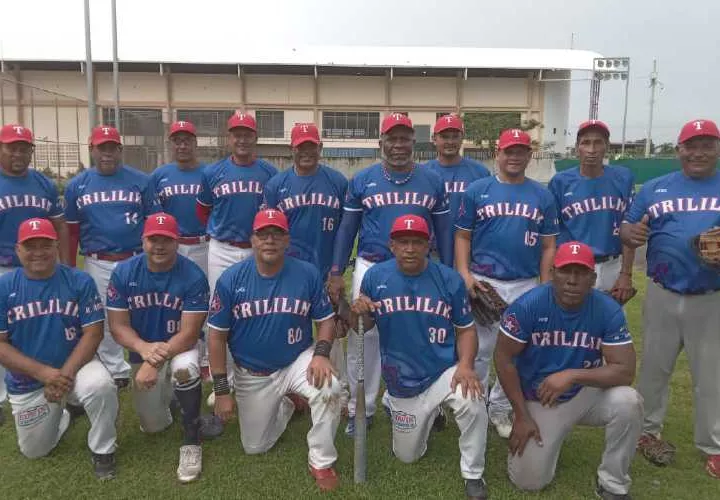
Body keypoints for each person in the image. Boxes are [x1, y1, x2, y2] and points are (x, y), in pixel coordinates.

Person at [328, 112, 452, 436]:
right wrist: (336, 271)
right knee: (363, 336)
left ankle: (430, 402)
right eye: (392, 139)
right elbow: (346, 229)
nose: (398, 145)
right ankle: (362, 408)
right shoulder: (363, 179)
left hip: (420, 269)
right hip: (372, 265)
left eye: (404, 138)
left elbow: (445, 231)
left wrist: (449, 274)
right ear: (381, 142)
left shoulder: (432, 181)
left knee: (423, 333)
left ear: (414, 142)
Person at [349, 214, 489, 500]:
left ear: (428, 245)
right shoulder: (375, 277)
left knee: (472, 398)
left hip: (442, 372)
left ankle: (473, 474)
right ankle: (396, 403)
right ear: (392, 245)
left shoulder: (448, 279)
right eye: (403, 242)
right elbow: (363, 327)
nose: (410, 248)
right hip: (402, 381)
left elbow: (466, 330)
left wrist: (465, 365)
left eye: (417, 242)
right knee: (407, 457)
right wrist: (357, 311)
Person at [207, 209, 343, 491]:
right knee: (255, 447)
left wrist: (320, 353)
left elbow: (327, 322)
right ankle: (289, 402)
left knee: (330, 388)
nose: (269, 240)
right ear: (252, 240)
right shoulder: (231, 279)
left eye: (277, 234)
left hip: (296, 360)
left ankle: (321, 460)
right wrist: (221, 391)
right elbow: (216, 338)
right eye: (263, 234)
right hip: (253, 372)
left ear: (287, 240)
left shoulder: (306, 273)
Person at [494, 241, 642, 499]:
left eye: (581, 273)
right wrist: (520, 414)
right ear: (552, 273)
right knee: (528, 481)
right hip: (542, 397)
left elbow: (625, 371)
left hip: (586, 393)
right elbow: (503, 358)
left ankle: (612, 483)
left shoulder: (607, 309)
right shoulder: (528, 305)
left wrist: (573, 375)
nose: (572, 280)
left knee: (629, 401)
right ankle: (551, 438)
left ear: (593, 278)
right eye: (565, 271)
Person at [621, 118, 720, 478]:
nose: (698, 152)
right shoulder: (656, 188)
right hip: (663, 291)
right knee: (654, 370)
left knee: (710, 376)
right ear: (679, 149)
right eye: (691, 145)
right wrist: (631, 232)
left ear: (717, 149)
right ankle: (647, 432)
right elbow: (628, 228)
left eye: (707, 145)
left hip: (711, 296)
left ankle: (713, 446)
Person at [455, 128, 558, 438]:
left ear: (529, 156)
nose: (514, 157)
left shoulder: (542, 195)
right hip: (485, 280)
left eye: (520, 151)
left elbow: (549, 245)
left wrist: (544, 283)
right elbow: (462, 236)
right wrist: (465, 275)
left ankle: (499, 407)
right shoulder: (477, 190)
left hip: (525, 283)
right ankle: (475, 408)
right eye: (508, 151)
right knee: (481, 349)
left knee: (518, 351)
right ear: (496, 154)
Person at [0, 218, 118, 480]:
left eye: (46, 245)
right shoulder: (4, 287)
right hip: (28, 379)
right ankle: (64, 414)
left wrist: (62, 375)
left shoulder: (79, 281)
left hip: (75, 366)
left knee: (100, 385)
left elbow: (93, 333)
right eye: (31, 246)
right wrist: (44, 374)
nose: (38, 252)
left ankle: (103, 449)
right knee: (35, 451)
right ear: (18, 250)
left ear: (56, 246)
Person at [106, 213, 209, 483]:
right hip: (143, 348)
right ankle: (176, 400)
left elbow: (188, 334)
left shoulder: (193, 274)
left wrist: (152, 362)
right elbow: (118, 326)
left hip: (179, 346)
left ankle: (191, 437)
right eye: (154, 239)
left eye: (167, 239)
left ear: (177, 242)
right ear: (143, 240)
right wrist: (143, 349)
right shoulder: (124, 272)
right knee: (153, 426)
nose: (159, 245)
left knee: (185, 370)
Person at [64, 125, 159, 388]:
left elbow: (153, 223)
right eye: (101, 147)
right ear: (91, 149)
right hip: (98, 259)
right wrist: (71, 266)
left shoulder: (141, 180)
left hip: (137, 257)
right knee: (104, 314)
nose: (106, 152)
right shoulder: (76, 186)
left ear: (120, 150)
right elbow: (71, 231)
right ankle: (116, 369)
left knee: (143, 309)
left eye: (111, 147)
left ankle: (147, 357)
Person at [262, 122, 348, 403]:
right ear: (292, 149)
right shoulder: (276, 185)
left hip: (326, 269)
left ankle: (340, 387)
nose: (306, 151)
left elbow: (345, 232)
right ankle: (293, 386)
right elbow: (271, 232)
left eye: (311, 146)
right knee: (292, 329)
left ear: (320, 148)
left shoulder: (337, 181)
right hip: (291, 271)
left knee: (332, 328)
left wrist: (337, 271)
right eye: (301, 147)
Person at [196, 111, 277, 405]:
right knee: (221, 311)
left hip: (258, 249)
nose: (242, 138)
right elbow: (203, 210)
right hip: (223, 248)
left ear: (255, 137)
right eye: (236, 133)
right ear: (229, 137)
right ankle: (225, 378)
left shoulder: (269, 173)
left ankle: (258, 370)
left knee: (258, 308)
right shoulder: (212, 172)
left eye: (247, 133)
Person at [0, 124, 70, 425]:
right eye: (11, 146)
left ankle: (57, 382)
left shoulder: (43, 184)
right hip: (4, 266)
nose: (18, 153)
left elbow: (60, 226)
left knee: (44, 324)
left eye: (24, 147)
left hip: (42, 266)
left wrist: (66, 264)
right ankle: (4, 398)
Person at [548, 120, 636, 299]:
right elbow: (551, 234)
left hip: (613, 264)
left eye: (598, 142)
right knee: (572, 323)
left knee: (612, 323)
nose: (591, 149)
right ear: (577, 148)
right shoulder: (560, 182)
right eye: (585, 143)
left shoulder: (623, 177)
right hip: (574, 266)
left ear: (606, 147)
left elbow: (630, 229)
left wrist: (626, 274)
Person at [425, 114, 490, 263]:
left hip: (470, 248)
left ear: (462, 138)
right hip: (433, 250)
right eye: (445, 136)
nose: (450, 141)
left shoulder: (480, 172)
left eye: (455, 136)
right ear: (434, 138)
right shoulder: (424, 172)